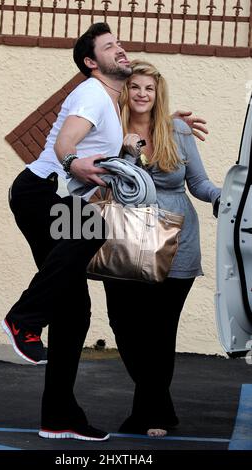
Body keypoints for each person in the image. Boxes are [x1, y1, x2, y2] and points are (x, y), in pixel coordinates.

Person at [3, 22, 209, 441]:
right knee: (92, 230)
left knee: (74, 311)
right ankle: (23, 318)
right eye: (109, 46)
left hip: (58, 199)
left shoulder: (109, 104)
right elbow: (67, 142)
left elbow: (125, 130)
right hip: (42, 193)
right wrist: (73, 160)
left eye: (119, 43)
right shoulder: (92, 93)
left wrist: (165, 122)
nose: (120, 49)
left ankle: (59, 416)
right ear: (91, 62)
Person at [101, 59, 221, 437]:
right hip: (124, 240)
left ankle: (151, 414)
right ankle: (157, 405)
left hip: (177, 241)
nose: (141, 94)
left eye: (148, 88)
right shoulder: (110, 128)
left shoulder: (177, 130)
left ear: (158, 93)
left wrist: (227, 198)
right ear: (126, 91)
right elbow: (111, 183)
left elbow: (199, 183)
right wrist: (127, 151)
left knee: (160, 329)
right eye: (135, 87)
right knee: (124, 323)